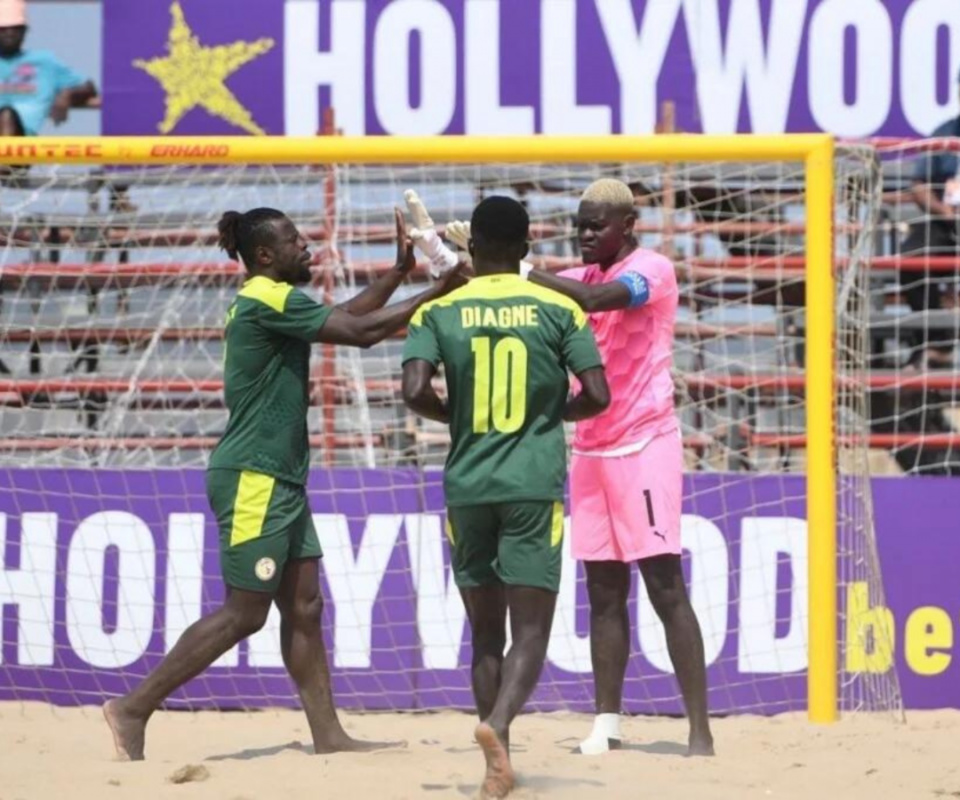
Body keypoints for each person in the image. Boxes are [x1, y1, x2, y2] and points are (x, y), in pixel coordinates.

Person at [103, 207, 463, 761]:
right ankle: (133, 707)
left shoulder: (274, 300)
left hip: (281, 477)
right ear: (265, 255)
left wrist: (398, 272)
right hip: (254, 476)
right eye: (295, 240)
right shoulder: (267, 299)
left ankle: (329, 736)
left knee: (305, 607)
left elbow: (344, 316)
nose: (308, 247)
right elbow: (361, 333)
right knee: (244, 613)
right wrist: (443, 287)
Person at [429, 180, 714, 757]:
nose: (584, 235)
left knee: (665, 587)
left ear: (628, 225)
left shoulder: (651, 269)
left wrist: (519, 266)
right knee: (602, 590)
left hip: (644, 444)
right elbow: (508, 293)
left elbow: (600, 299)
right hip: (587, 448)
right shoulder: (575, 281)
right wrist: (457, 259)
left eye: (596, 226)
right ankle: (607, 723)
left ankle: (700, 731)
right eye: (580, 225)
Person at [401, 196, 610, 798]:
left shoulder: (440, 310)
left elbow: (413, 390)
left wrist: (456, 416)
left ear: (474, 247)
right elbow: (598, 395)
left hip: (467, 485)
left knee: (485, 635)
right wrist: (552, 413)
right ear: (524, 251)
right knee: (533, 632)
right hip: (531, 484)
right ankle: (496, 728)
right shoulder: (557, 308)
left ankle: (500, 761)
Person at [0, 0, 97, 141]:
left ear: (24, 31)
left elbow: (89, 87)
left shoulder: (44, 63)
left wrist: (67, 94)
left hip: (20, 144)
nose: (9, 34)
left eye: (15, 28)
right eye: (3, 29)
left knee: (7, 115)